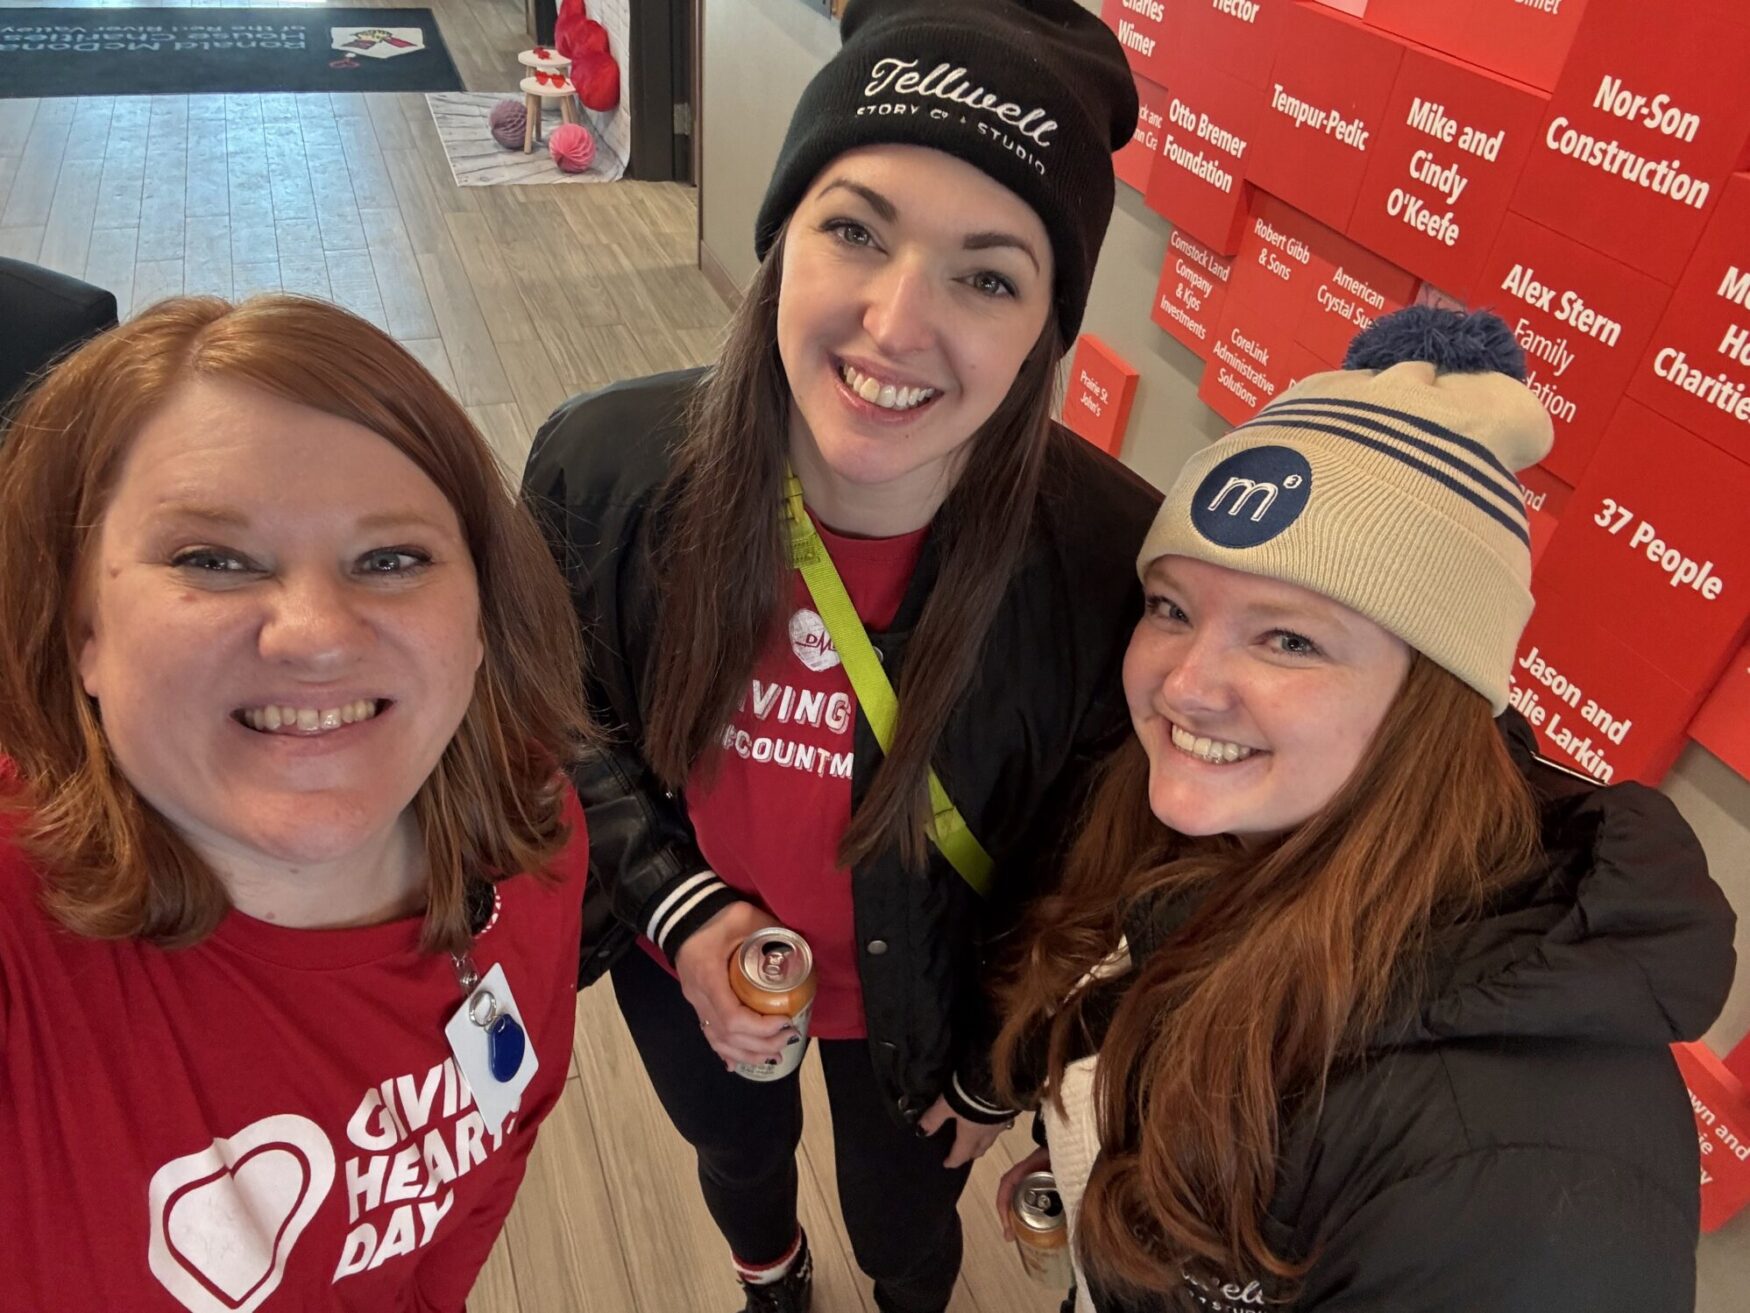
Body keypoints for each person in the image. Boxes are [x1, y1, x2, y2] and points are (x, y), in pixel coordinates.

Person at [520, 1, 1155, 1308]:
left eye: (987, 274)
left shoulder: (1106, 560)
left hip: (923, 1016)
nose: (894, 322)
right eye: (855, 229)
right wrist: (678, 911)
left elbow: (1086, 859)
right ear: (781, 238)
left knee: (904, 1226)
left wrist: (990, 1065)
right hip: (680, 950)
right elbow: (563, 721)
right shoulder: (603, 465)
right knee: (736, 1156)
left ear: (1047, 325)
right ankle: (772, 1281)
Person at [989, 306, 1738, 1313]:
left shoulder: (1522, 1177)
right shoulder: (1229, 824)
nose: (1184, 684)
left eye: (1289, 639)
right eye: (1171, 606)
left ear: (1431, 696)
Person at [0, 295, 592, 1310]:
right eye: (212, 558)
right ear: (79, 623)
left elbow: (503, 1132)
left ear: (483, 615)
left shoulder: (526, 823)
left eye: (393, 557)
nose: (317, 632)